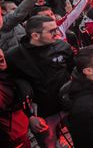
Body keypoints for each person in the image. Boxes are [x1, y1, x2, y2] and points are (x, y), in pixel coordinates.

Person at [5, 15, 74, 148]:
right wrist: (29, 117)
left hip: (68, 106)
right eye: (52, 31)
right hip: (43, 116)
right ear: (35, 35)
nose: (57, 33)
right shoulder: (14, 56)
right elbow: (13, 88)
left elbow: (74, 73)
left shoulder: (63, 46)